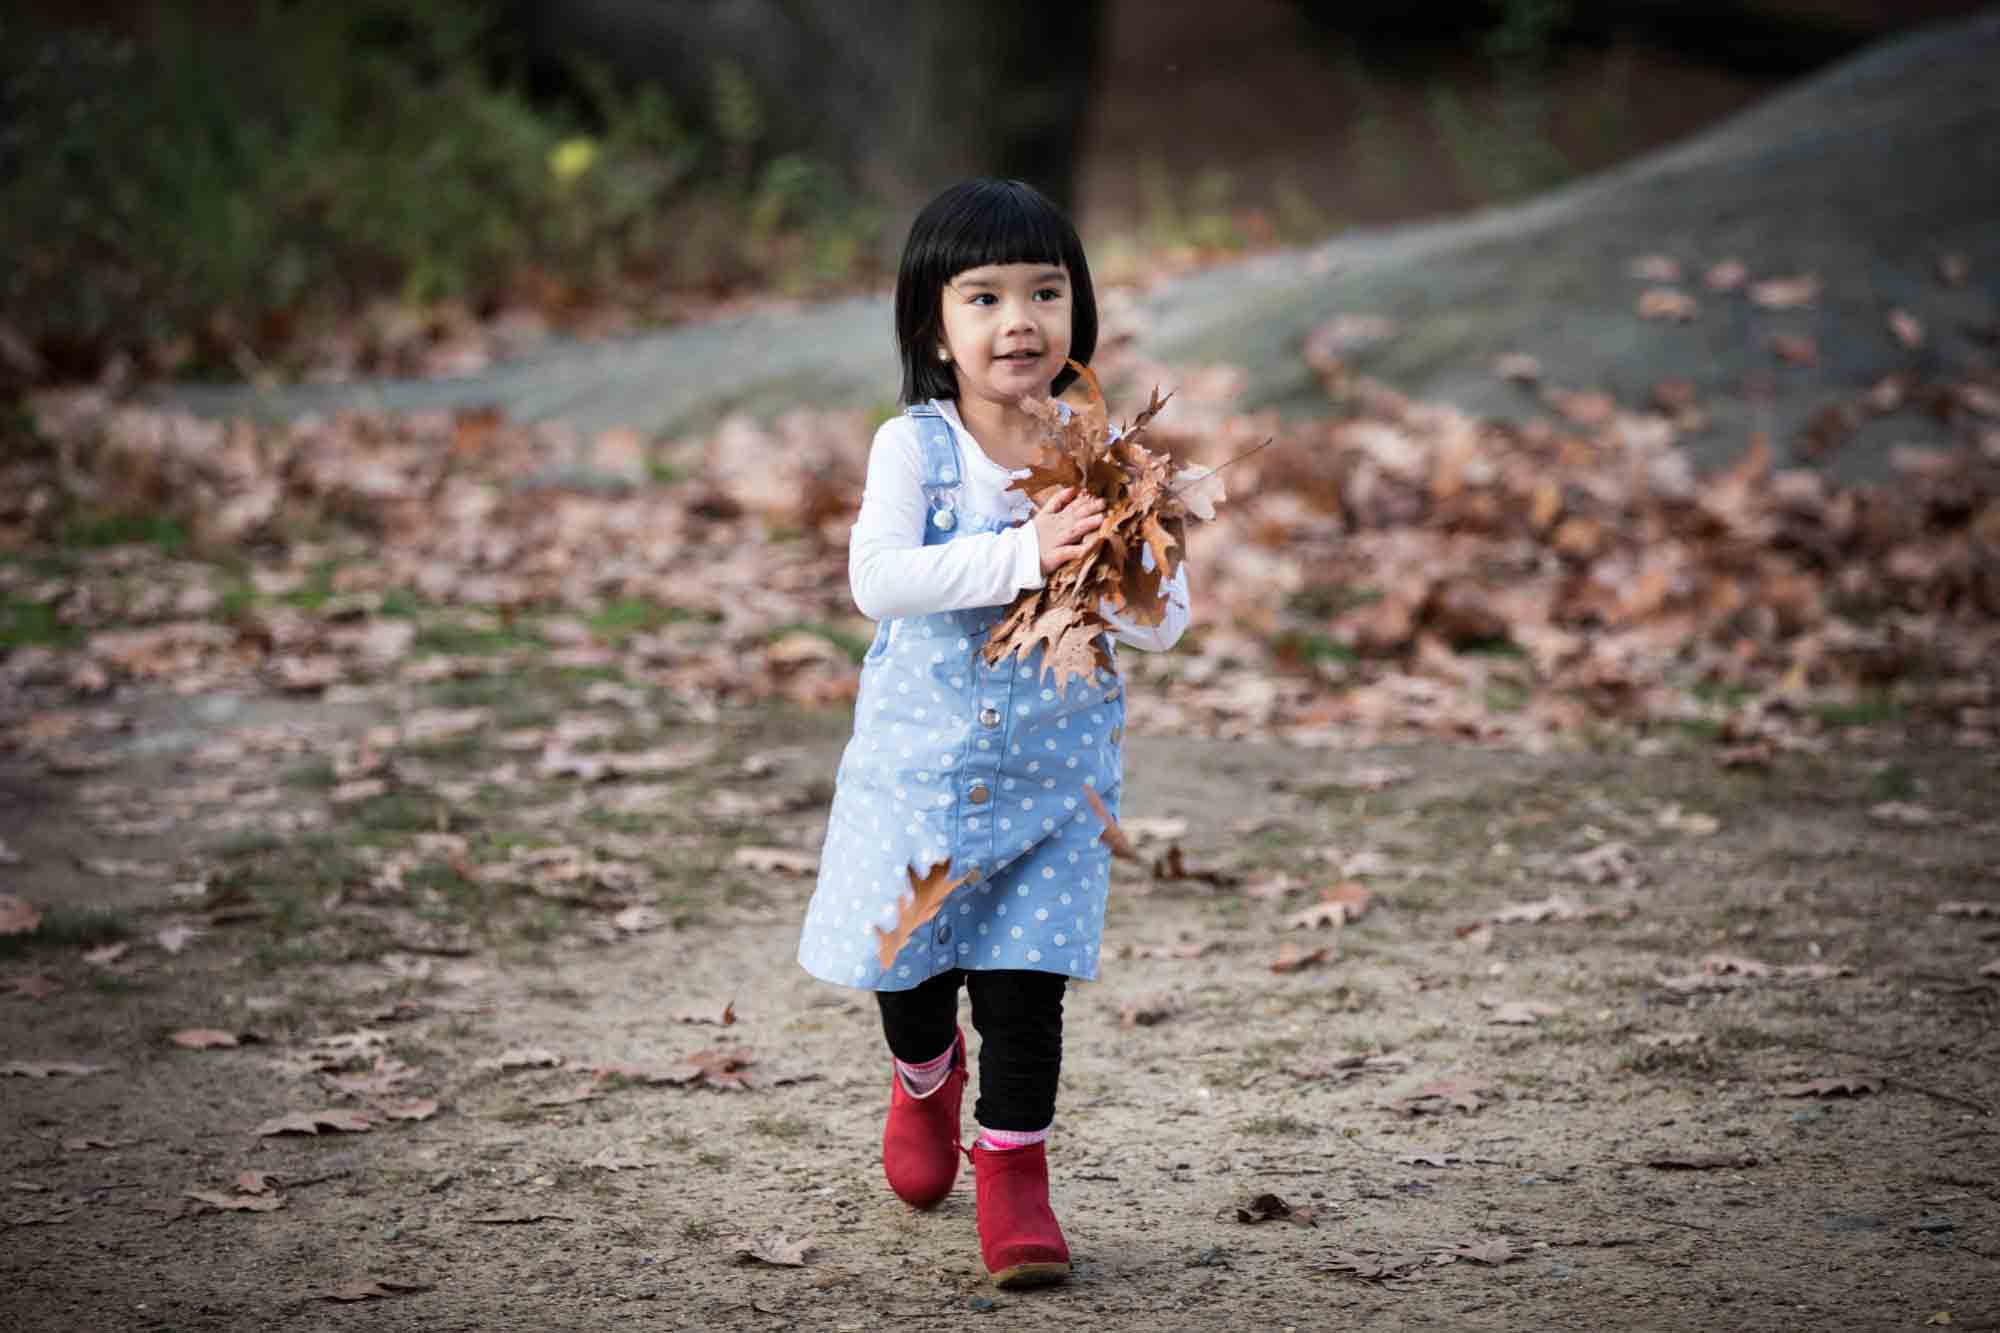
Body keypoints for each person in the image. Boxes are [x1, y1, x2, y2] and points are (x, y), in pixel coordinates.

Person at [795, 178, 1192, 1289]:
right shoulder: (911, 451)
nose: (1017, 320)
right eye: (983, 297)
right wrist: (1024, 552)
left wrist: (1111, 569)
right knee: (907, 969)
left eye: (1043, 292)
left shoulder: (1102, 448)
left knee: (1025, 987)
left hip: (1049, 785)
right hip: (919, 780)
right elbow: (878, 581)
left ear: (1077, 312)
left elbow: (1168, 619)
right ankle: (923, 1071)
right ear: (934, 324)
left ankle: (1014, 1174)